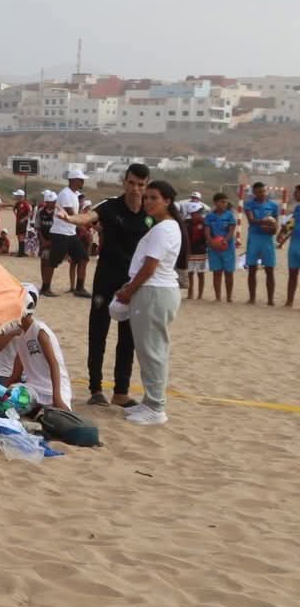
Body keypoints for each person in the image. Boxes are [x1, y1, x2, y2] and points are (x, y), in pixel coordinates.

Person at [68, 164, 149, 409]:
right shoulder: (111, 206)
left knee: (128, 337)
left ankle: (121, 392)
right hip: (106, 279)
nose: (135, 189)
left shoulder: (149, 212)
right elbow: (88, 217)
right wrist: (70, 218)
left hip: (133, 282)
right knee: (98, 333)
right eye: (132, 183)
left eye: (141, 184)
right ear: (124, 182)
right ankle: (95, 389)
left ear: (146, 185)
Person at [112, 181, 183, 426]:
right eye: (147, 198)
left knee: (152, 351)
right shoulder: (164, 227)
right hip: (153, 290)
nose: (148, 202)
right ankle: (150, 401)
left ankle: (155, 406)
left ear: (167, 201)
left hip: (154, 291)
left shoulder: (164, 229)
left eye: (154, 198)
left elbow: (150, 267)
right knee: (147, 349)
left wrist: (128, 291)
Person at [10, 286, 71, 410]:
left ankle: (42, 411)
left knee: (60, 417)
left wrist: (57, 397)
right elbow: (15, 375)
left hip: (54, 389)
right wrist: (1, 392)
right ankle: (38, 412)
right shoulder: (21, 337)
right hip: (34, 388)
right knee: (11, 398)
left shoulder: (39, 330)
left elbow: (54, 364)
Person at [45, 169, 90, 297]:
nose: (82, 182)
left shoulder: (74, 194)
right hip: (60, 233)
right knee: (54, 261)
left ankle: (79, 288)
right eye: (81, 180)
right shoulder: (65, 194)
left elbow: (75, 214)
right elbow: (70, 213)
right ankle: (45, 287)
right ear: (73, 180)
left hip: (70, 233)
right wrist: (83, 227)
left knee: (83, 259)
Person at [241, 182, 280, 304]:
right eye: (258, 192)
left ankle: (270, 300)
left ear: (266, 191)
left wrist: (272, 228)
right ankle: (252, 298)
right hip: (254, 238)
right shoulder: (249, 204)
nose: (262, 194)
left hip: (267, 239)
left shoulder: (273, 205)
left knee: (269, 269)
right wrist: (265, 221)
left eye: (263, 191)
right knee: (252, 269)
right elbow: (251, 220)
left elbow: (276, 225)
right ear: (254, 193)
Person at [204, 192, 238, 302]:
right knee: (217, 272)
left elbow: (231, 231)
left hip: (227, 247)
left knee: (229, 272)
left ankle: (229, 297)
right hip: (214, 248)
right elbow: (207, 231)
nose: (224, 204)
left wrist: (224, 241)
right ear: (215, 202)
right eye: (222, 202)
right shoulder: (209, 216)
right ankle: (218, 297)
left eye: (226, 202)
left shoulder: (230, 216)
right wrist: (211, 241)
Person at [182, 199, 209, 300]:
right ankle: (190, 294)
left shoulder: (204, 222)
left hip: (201, 251)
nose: (196, 214)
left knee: (201, 274)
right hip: (190, 252)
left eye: (198, 212)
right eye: (194, 213)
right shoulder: (186, 223)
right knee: (190, 274)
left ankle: (200, 295)